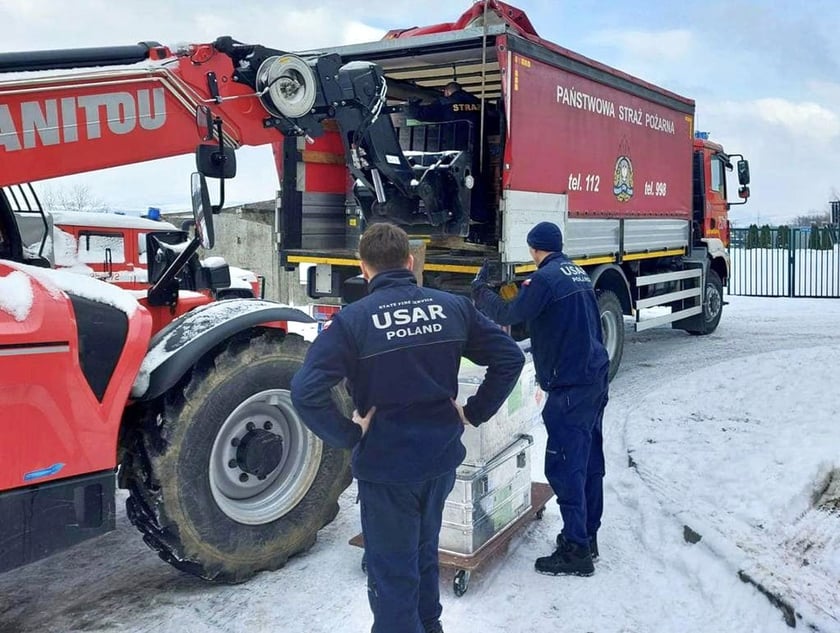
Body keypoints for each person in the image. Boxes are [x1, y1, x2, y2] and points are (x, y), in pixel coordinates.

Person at [290, 222, 525, 633]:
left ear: (363, 269)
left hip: (387, 469)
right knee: (422, 555)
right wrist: (473, 411)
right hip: (439, 463)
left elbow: (306, 391)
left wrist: (349, 434)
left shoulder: (352, 322)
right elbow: (510, 357)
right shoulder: (451, 307)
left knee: (392, 576)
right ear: (411, 261)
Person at [471, 221, 610, 577]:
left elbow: (508, 314)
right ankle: (587, 537)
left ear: (534, 250)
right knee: (590, 462)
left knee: (564, 466)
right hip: (593, 381)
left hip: (570, 388)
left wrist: (479, 291)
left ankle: (576, 551)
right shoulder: (575, 273)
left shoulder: (545, 279)